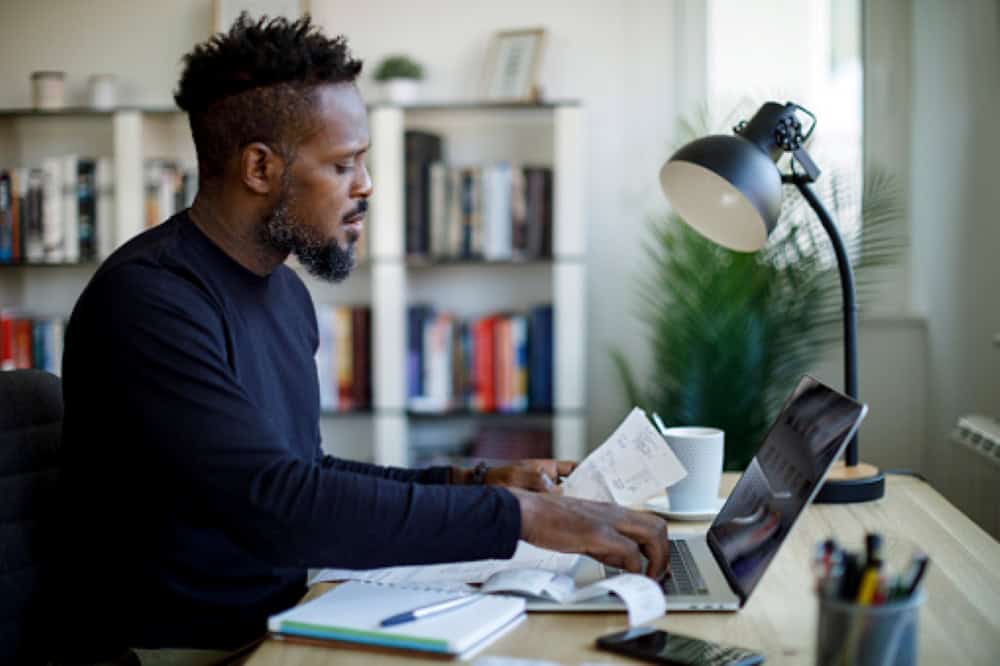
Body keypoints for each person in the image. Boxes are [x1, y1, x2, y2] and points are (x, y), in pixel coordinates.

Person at [55, 14, 669, 664]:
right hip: (184, 650)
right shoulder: (150, 302)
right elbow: (281, 507)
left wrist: (472, 479)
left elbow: (306, 472)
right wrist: (522, 516)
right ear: (259, 167)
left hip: (283, 617)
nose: (366, 185)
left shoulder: (281, 291)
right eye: (344, 164)